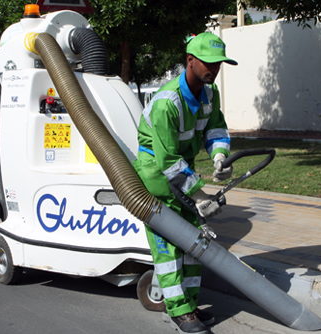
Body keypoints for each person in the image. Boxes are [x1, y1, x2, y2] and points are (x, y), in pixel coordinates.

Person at [133, 32, 237, 334]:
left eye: (219, 64)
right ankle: (178, 311)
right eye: (209, 62)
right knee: (168, 247)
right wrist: (201, 194)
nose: (214, 69)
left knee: (194, 241)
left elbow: (215, 127)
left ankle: (190, 304)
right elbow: (167, 162)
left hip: (183, 171)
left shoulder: (208, 93)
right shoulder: (167, 103)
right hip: (156, 175)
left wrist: (219, 156)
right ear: (190, 60)